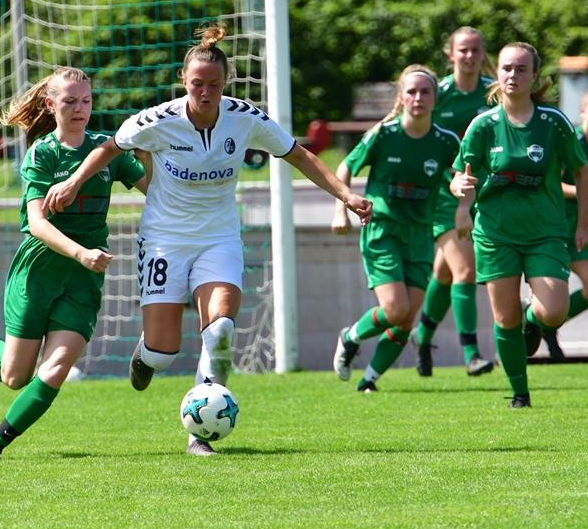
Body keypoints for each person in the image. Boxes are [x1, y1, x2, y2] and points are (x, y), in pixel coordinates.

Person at [45, 23, 371, 456]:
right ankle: (146, 356)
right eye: (197, 84)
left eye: (214, 85)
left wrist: (346, 194)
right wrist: (72, 182)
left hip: (219, 238)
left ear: (225, 84)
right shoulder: (159, 121)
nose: (205, 92)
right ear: (184, 81)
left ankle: (200, 430)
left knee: (219, 330)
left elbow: (298, 154)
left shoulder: (244, 117)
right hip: (164, 239)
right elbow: (109, 148)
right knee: (163, 352)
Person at [0, 67, 149, 461]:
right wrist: (81, 252)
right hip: (38, 271)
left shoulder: (107, 151)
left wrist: (150, 143)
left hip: (83, 280)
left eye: (86, 100)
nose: (80, 108)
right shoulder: (42, 154)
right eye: (69, 101)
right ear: (51, 105)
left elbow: (154, 187)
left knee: (60, 363)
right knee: (15, 376)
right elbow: (36, 223)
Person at [450, 42, 588, 408]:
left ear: (534, 77)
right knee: (504, 316)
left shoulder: (552, 122)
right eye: (507, 68)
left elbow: (581, 170)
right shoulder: (483, 125)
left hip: (544, 231)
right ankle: (519, 392)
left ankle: (534, 320)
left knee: (553, 311)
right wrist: (461, 201)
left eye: (521, 69)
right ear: (498, 73)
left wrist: (582, 224)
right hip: (496, 234)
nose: (513, 75)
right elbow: (462, 174)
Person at [331, 64, 462, 392]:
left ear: (435, 97)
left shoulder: (445, 141)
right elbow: (345, 167)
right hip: (383, 230)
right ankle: (350, 338)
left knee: (405, 319)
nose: (419, 97)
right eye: (412, 91)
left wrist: (462, 195)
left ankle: (369, 381)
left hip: (420, 234)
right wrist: (340, 210)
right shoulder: (384, 134)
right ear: (401, 98)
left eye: (425, 91)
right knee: (395, 308)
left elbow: (462, 173)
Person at [409, 27, 496, 377]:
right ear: (451, 54)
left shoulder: (492, 90)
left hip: (483, 192)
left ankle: (422, 335)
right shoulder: (437, 93)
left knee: (444, 275)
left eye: (476, 49)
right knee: (465, 270)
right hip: (444, 194)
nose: (470, 56)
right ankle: (472, 353)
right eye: (463, 50)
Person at [536, 80, 588, 359]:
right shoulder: (571, 139)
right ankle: (537, 320)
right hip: (557, 223)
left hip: (579, 224)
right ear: (582, 111)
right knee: (552, 291)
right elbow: (554, 184)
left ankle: (544, 326)